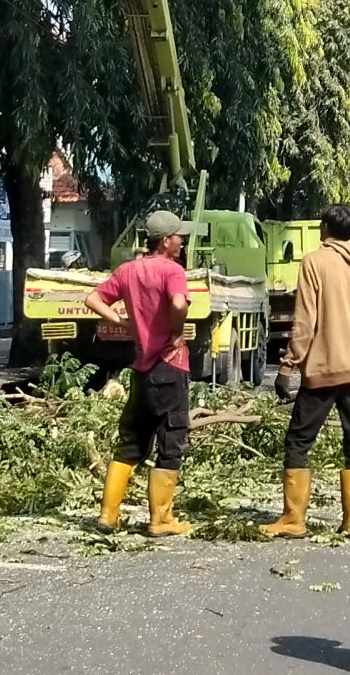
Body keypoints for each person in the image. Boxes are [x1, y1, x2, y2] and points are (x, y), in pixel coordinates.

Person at [264, 204, 350, 539]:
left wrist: (287, 366)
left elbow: (305, 322)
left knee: (298, 441)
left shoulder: (314, 262)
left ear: (325, 227)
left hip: (323, 370)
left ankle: (293, 520)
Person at [86, 210, 198, 537]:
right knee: (171, 442)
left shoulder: (128, 270)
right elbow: (179, 304)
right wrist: (177, 332)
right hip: (169, 366)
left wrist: (122, 323)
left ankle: (108, 515)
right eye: (178, 236)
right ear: (165, 241)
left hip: (141, 371)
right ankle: (161, 520)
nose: (182, 241)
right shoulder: (172, 270)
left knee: (131, 443)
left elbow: (92, 299)